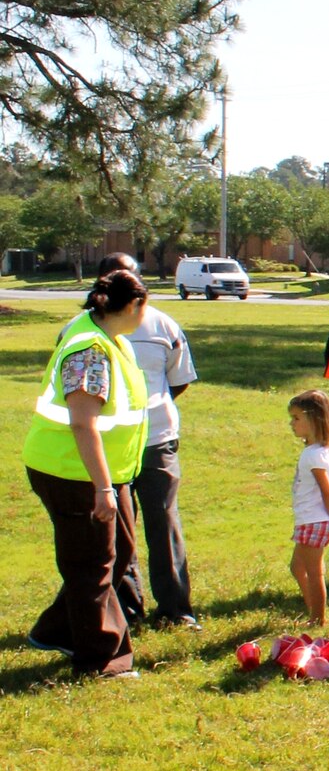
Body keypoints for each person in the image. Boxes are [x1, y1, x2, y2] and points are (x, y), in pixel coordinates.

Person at [21, 269, 152, 678]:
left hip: (103, 474)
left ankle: (55, 630)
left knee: (119, 555)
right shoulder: (90, 350)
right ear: (132, 306)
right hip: (73, 474)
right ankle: (101, 661)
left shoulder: (110, 338)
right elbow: (83, 423)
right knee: (92, 564)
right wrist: (102, 489)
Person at [108, 254, 200, 630]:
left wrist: (150, 410)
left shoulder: (163, 324)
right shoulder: (82, 330)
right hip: (108, 446)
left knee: (162, 520)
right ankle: (127, 608)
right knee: (116, 526)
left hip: (156, 440)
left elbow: (179, 379)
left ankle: (176, 608)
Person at [287, 390, 329, 626]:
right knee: (297, 567)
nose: (292, 423)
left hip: (314, 520)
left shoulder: (314, 456)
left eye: (297, 418)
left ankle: (318, 619)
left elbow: (327, 492)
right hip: (309, 520)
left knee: (313, 571)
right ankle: (313, 609)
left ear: (314, 420)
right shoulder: (319, 452)